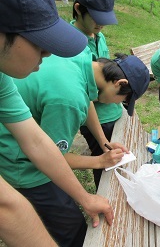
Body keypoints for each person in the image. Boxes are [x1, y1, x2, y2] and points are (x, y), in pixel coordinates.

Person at [0, 0, 116, 246]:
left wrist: (85, 198)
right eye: (39, 43)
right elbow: (7, 206)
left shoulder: (3, 79)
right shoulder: (67, 99)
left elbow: (36, 140)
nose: (48, 54)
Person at [0, 48, 149, 246]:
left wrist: (104, 143)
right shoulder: (68, 101)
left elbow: (86, 99)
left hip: (14, 130)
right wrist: (98, 162)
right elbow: (50, 155)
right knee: (72, 230)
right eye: (123, 100)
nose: (119, 104)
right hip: (21, 163)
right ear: (119, 83)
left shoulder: (80, 57)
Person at [70, 0, 123, 189]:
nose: (101, 25)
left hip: (113, 111)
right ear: (78, 9)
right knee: (104, 166)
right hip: (97, 120)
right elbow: (82, 95)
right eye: (96, 18)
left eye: (104, 19)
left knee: (116, 163)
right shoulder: (72, 44)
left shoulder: (98, 36)